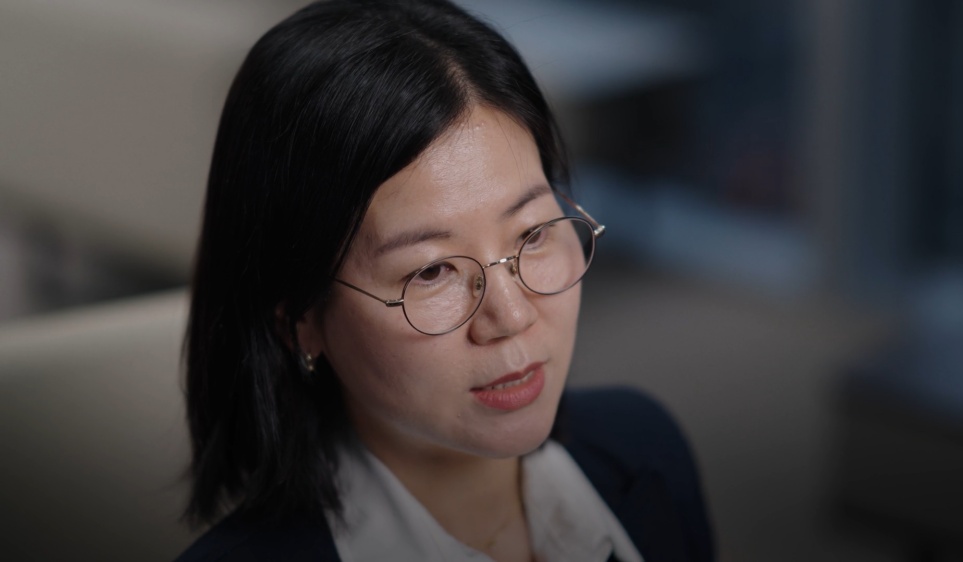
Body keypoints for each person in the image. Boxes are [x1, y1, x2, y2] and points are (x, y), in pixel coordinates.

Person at [176, 1, 713, 560]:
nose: (511, 315)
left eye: (532, 234)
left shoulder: (648, 447)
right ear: (298, 321)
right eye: (432, 271)